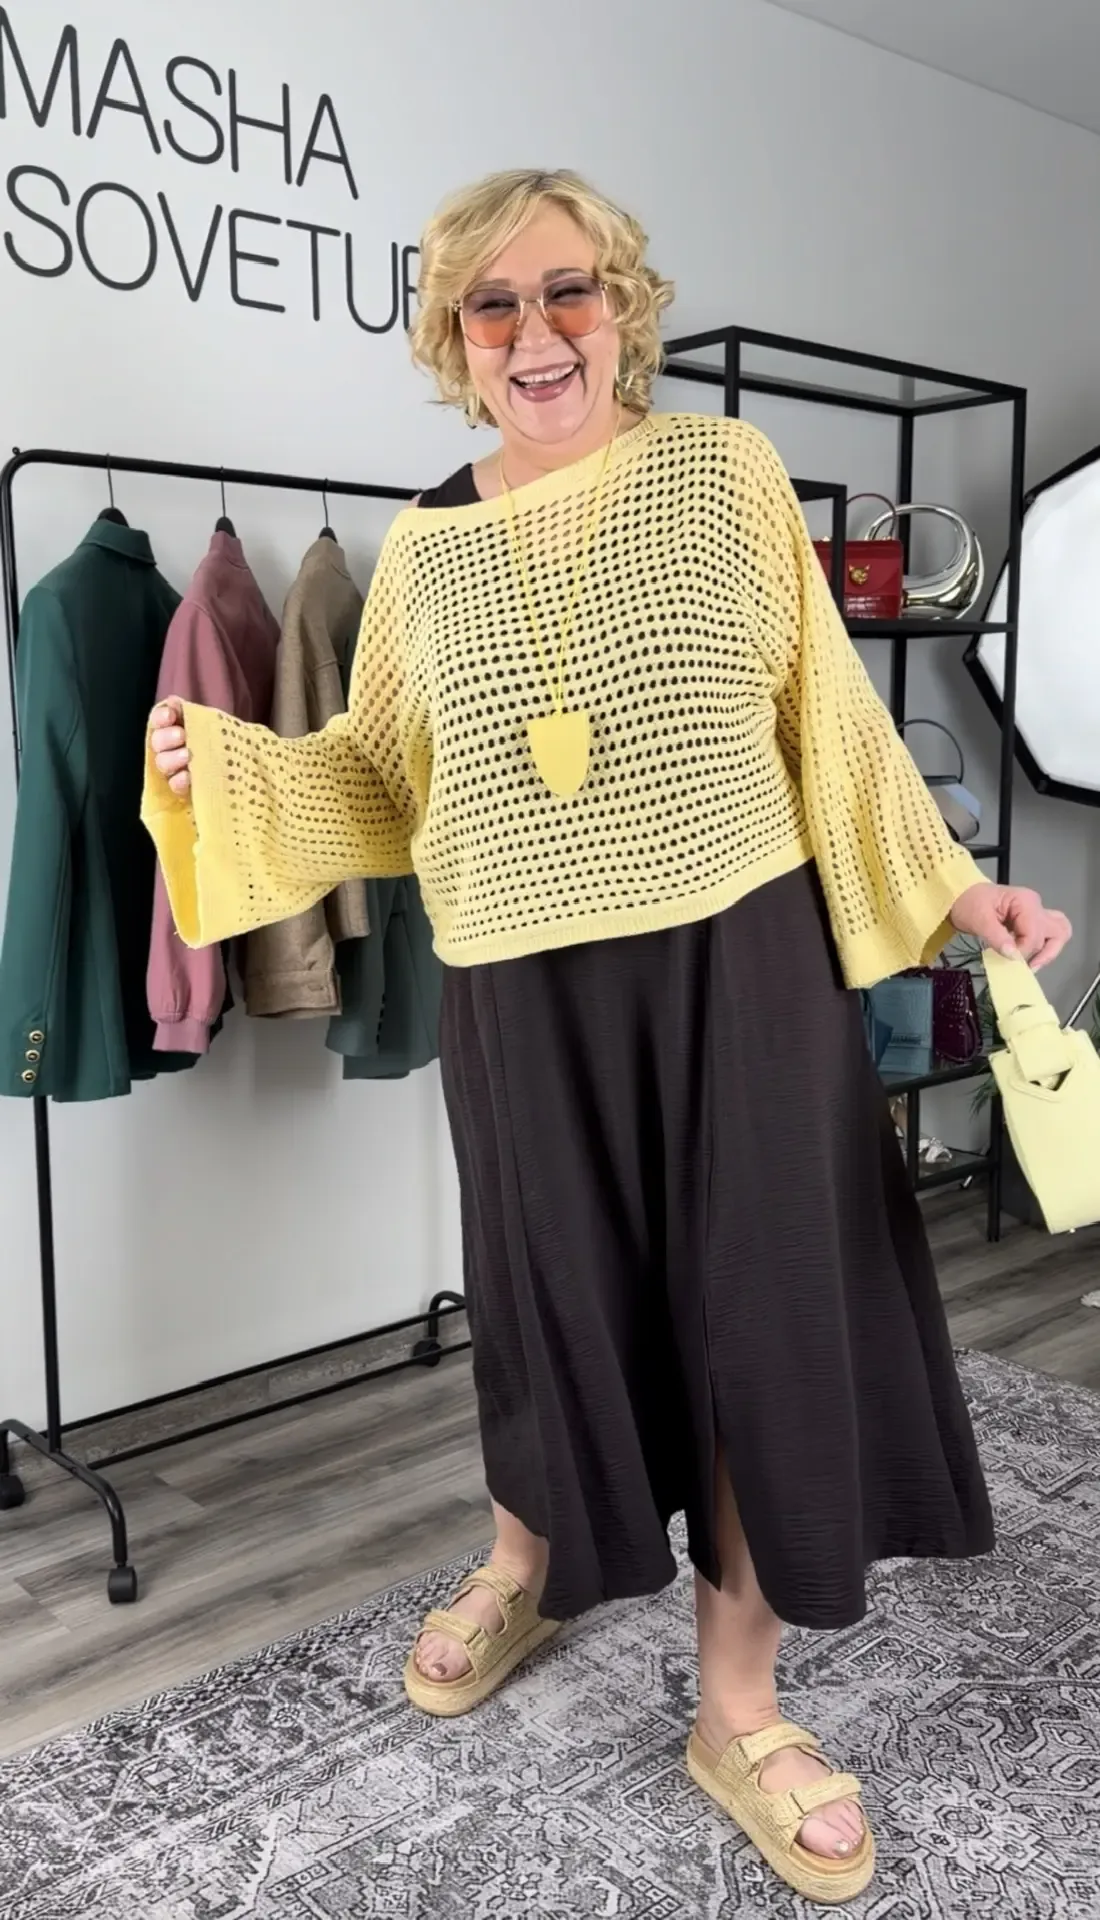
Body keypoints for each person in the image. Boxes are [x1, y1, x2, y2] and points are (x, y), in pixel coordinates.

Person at [146, 168, 1070, 1906]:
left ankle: (740, 1707)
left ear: (621, 306)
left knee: (760, 1308)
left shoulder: (724, 477)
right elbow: (383, 780)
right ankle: (533, 1562)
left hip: (741, 963)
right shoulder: (426, 549)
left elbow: (831, 718)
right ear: (455, 338)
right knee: (550, 1292)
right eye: (492, 304)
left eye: (566, 290)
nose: (535, 332)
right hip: (523, 984)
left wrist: (961, 898)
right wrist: (237, 773)